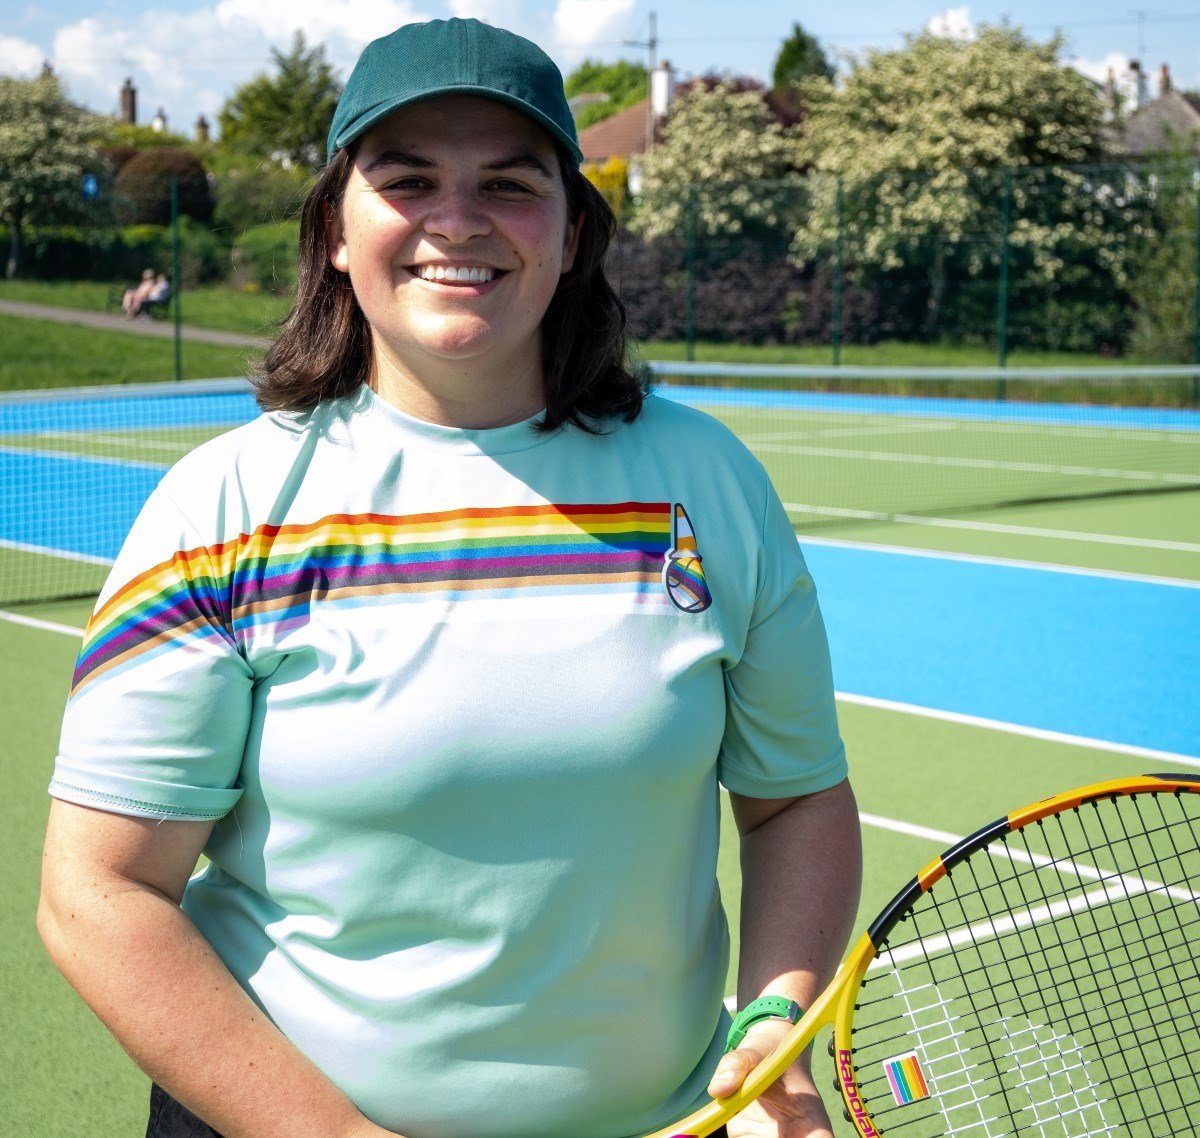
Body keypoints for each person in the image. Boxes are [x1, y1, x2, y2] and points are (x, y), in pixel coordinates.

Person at [37, 19, 861, 1138]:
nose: (457, 221)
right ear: (336, 229)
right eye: (409, 179)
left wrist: (775, 1024)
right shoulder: (221, 508)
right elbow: (101, 894)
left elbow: (796, 800)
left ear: (574, 234)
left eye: (511, 184)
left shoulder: (710, 482)